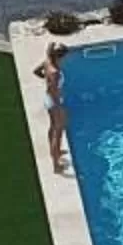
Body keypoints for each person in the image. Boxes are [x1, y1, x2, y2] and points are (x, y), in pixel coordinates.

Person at [33, 43, 71, 174]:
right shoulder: (55, 72)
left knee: (53, 126)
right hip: (55, 102)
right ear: (60, 57)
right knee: (58, 131)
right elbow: (53, 90)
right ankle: (56, 165)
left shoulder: (47, 62)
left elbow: (36, 71)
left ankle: (55, 151)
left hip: (48, 99)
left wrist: (46, 79)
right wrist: (59, 108)